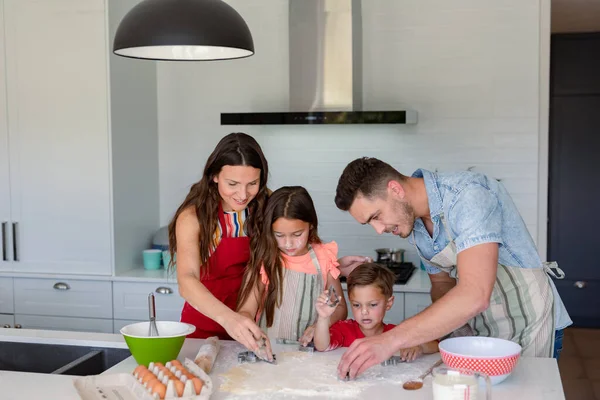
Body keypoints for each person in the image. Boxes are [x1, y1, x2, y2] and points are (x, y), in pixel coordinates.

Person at [333, 157, 571, 379]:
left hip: (528, 325)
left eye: (376, 216)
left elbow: (475, 293)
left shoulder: (468, 196)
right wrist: (448, 334)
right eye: (369, 223)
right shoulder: (414, 225)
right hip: (478, 331)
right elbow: (442, 284)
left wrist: (391, 340)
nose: (378, 229)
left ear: (395, 190)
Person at [167, 132, 270, 355]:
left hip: (251, 324)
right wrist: (229, 319)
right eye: (232, 183)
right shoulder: (193, 217)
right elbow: (187, 279)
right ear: (214, 176)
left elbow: (264, 266)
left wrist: (243, 314)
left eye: (252, 183)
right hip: (202, 326)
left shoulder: (265, 207)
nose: (243, 194)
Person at [237, 186, 348, 346]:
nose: (288, 243)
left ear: (310, 225)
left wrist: (321, 324)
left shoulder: (324, 257)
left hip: (309, 352)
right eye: (279, 235)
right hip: (270, 350)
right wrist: (248, 328)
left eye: (297, 234)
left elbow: (340, 308)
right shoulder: (266, 258)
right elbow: (246, 310)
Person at [314, 262, 439, 362]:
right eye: (357, 305)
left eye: (372, 305)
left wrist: (418, 346)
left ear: (388, 303)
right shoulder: (344, 330)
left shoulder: (395, 334)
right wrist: (323, 318)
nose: (364, 311)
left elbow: (435, 345)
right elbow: (322, 346)